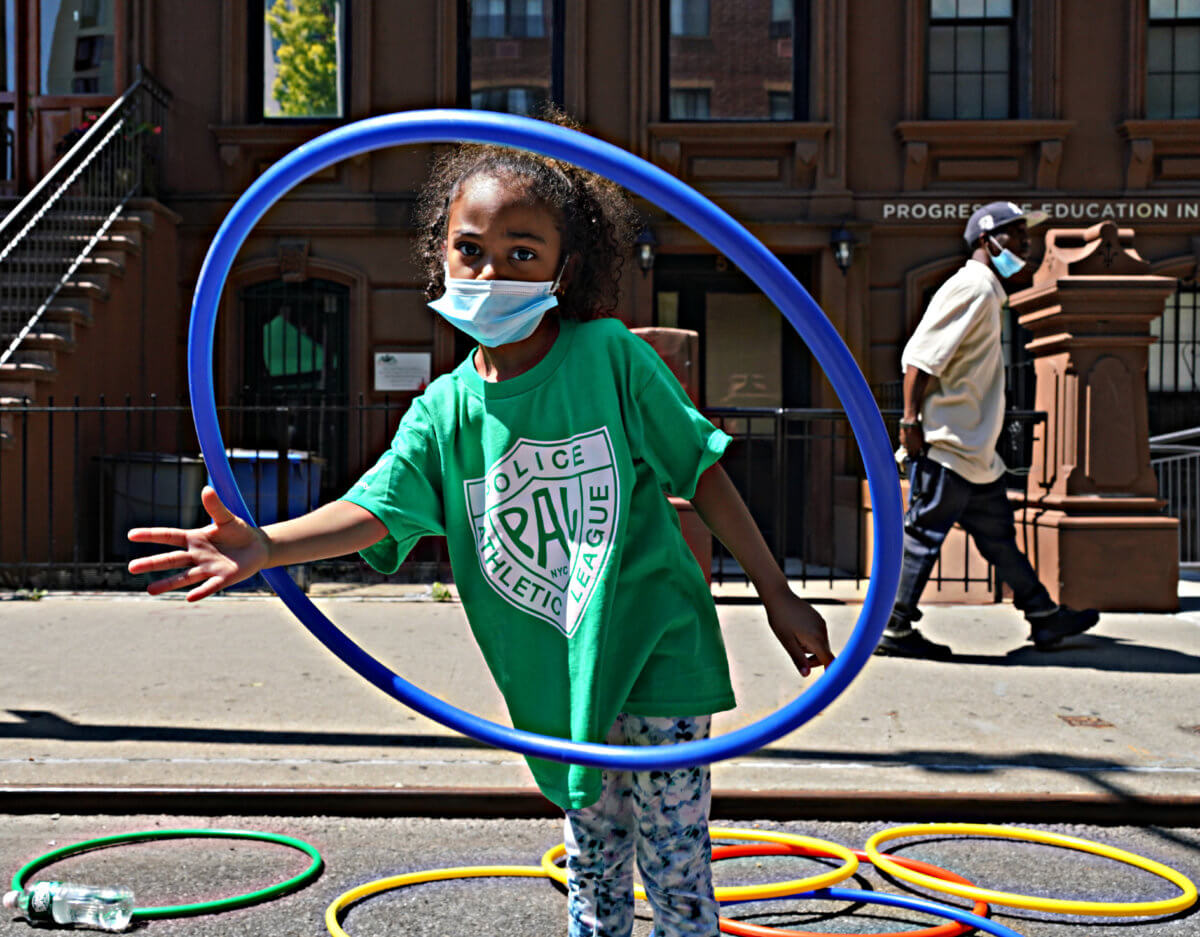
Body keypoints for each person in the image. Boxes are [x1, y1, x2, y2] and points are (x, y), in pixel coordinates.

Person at [128, 116, 833, 937]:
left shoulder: (609, 356)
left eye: (522, 252)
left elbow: (702, 474)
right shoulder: (445, 410)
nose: (493, 271)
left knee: (674, 865)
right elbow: (376, 506)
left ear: (565, 268)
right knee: (593, 861)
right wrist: (269, 544)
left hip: (657, 647)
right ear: (442, 254)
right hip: (558, 673)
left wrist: (777, 592)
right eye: (473, 250)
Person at [876, 200, 1100, 660]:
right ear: (987, 239)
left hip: (973, 453)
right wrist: (910, 423)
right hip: (949, 447)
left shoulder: (985, 291)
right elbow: (919, 359)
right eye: (1017, 235)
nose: (1026, 245)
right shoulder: (973, 288)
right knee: (921, 537)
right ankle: (894, 627)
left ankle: (1043, 616)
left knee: (998, 540)